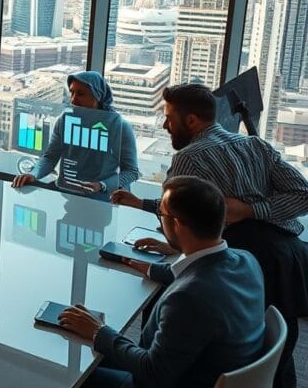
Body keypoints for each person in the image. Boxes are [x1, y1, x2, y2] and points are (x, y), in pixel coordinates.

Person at [111, 83, 308, 388]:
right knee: (272, 345)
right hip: (289, 255)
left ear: (191, 121)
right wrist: (256, 208)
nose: (164, 126)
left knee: (182, 319)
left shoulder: (188, 158)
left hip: (252, 252)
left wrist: (245, 211)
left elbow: (176, 209)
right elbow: (303, 195)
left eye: (168, 118)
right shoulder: (256, 145)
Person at [63, 176, 265, 388]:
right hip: (208, 368)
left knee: (73, 372)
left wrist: (99, 331)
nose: (160, 218)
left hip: (169, 379)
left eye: (161, 213)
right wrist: (149, 267)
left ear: (176, 224)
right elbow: (200, 273)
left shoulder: (188, 299)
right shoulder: (245, 259)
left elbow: (153, 373)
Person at [12, 71, 139, 197]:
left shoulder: (119, 126)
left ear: (97, 96)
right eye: (71, 93)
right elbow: (50, 157)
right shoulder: (66, 120)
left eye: (81, 94)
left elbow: (131, 172)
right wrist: (34, 174)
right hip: (68, 194)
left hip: (102, 201)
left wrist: (102, 185)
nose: (73, 99)